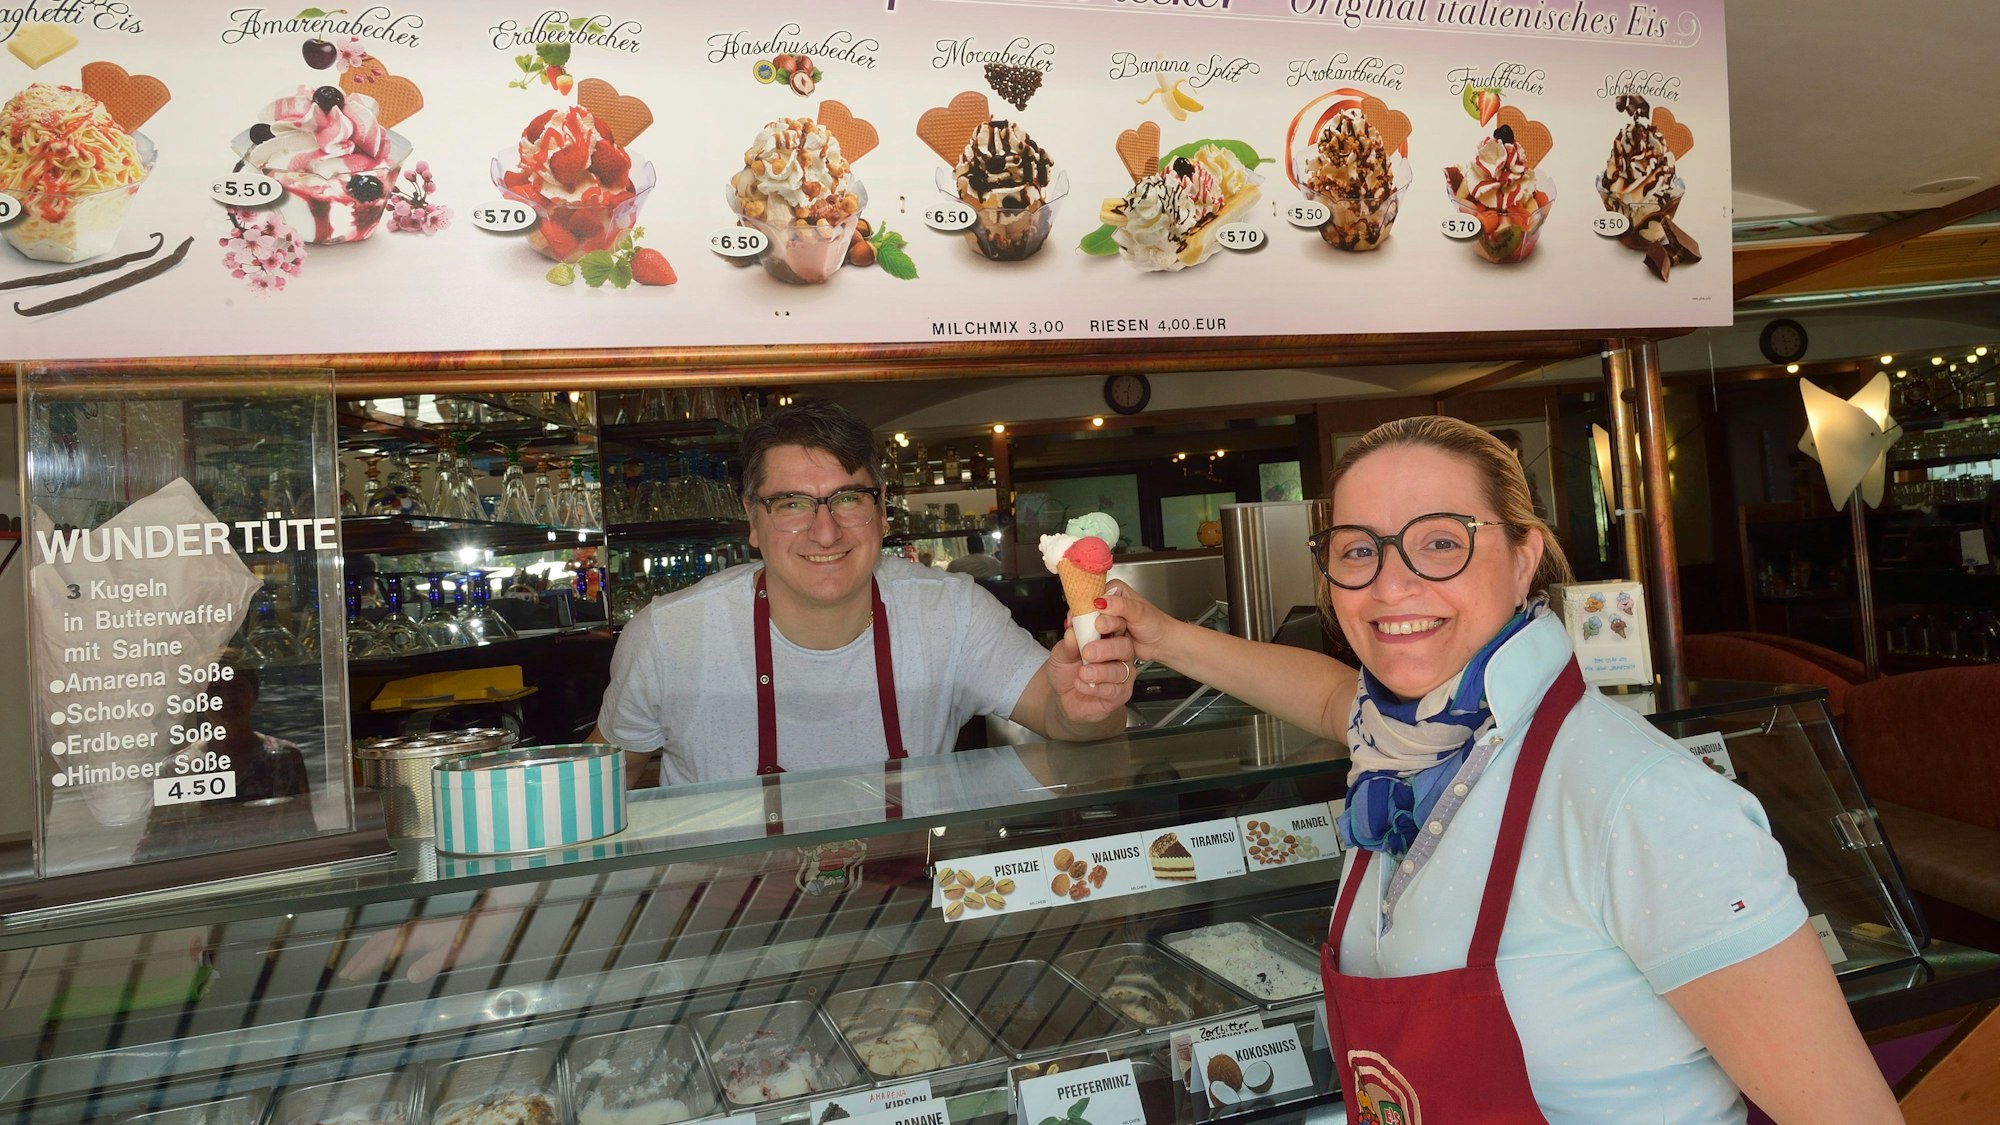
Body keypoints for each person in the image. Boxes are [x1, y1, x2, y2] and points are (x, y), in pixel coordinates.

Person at [1098, 416, 1898, 1123]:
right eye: (1357, 550)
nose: (1390, 583)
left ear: (1525, 559)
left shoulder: (1644, 801)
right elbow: (1323, 692)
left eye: (1440, 541)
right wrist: (1162, 636)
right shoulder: (1400, 738)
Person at [591, 397, 1135, 784]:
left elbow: (1070, 720)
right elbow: (604, 788)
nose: (825, 532)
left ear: (880, 512)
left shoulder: (953, 612)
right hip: (727, 924)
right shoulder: (667, 636)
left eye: (848, 498)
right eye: (792, 504)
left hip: (908, 921)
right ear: (752, 521)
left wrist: (1095, 703)